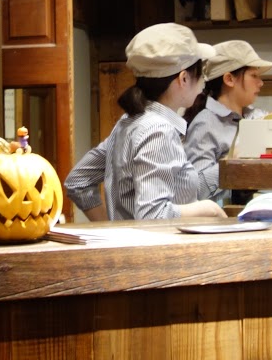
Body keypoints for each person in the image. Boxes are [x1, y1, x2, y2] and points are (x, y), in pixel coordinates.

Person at [65, 23, 227, 221]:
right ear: (183, 78)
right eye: (200, 73)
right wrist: (209, 208)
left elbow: (78, 181)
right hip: (163, 242)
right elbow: (153, 214)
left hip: (134, 241)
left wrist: (110, 228)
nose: (203, 82)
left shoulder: (129, 122)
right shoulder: (158, 131)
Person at [184, 39, 272, 203]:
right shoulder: (205, 123)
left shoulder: (256, 116)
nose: (260, 83)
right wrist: (232, 161)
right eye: (254, 76)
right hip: (224, 216)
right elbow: (196, 189)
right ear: (229, 79)